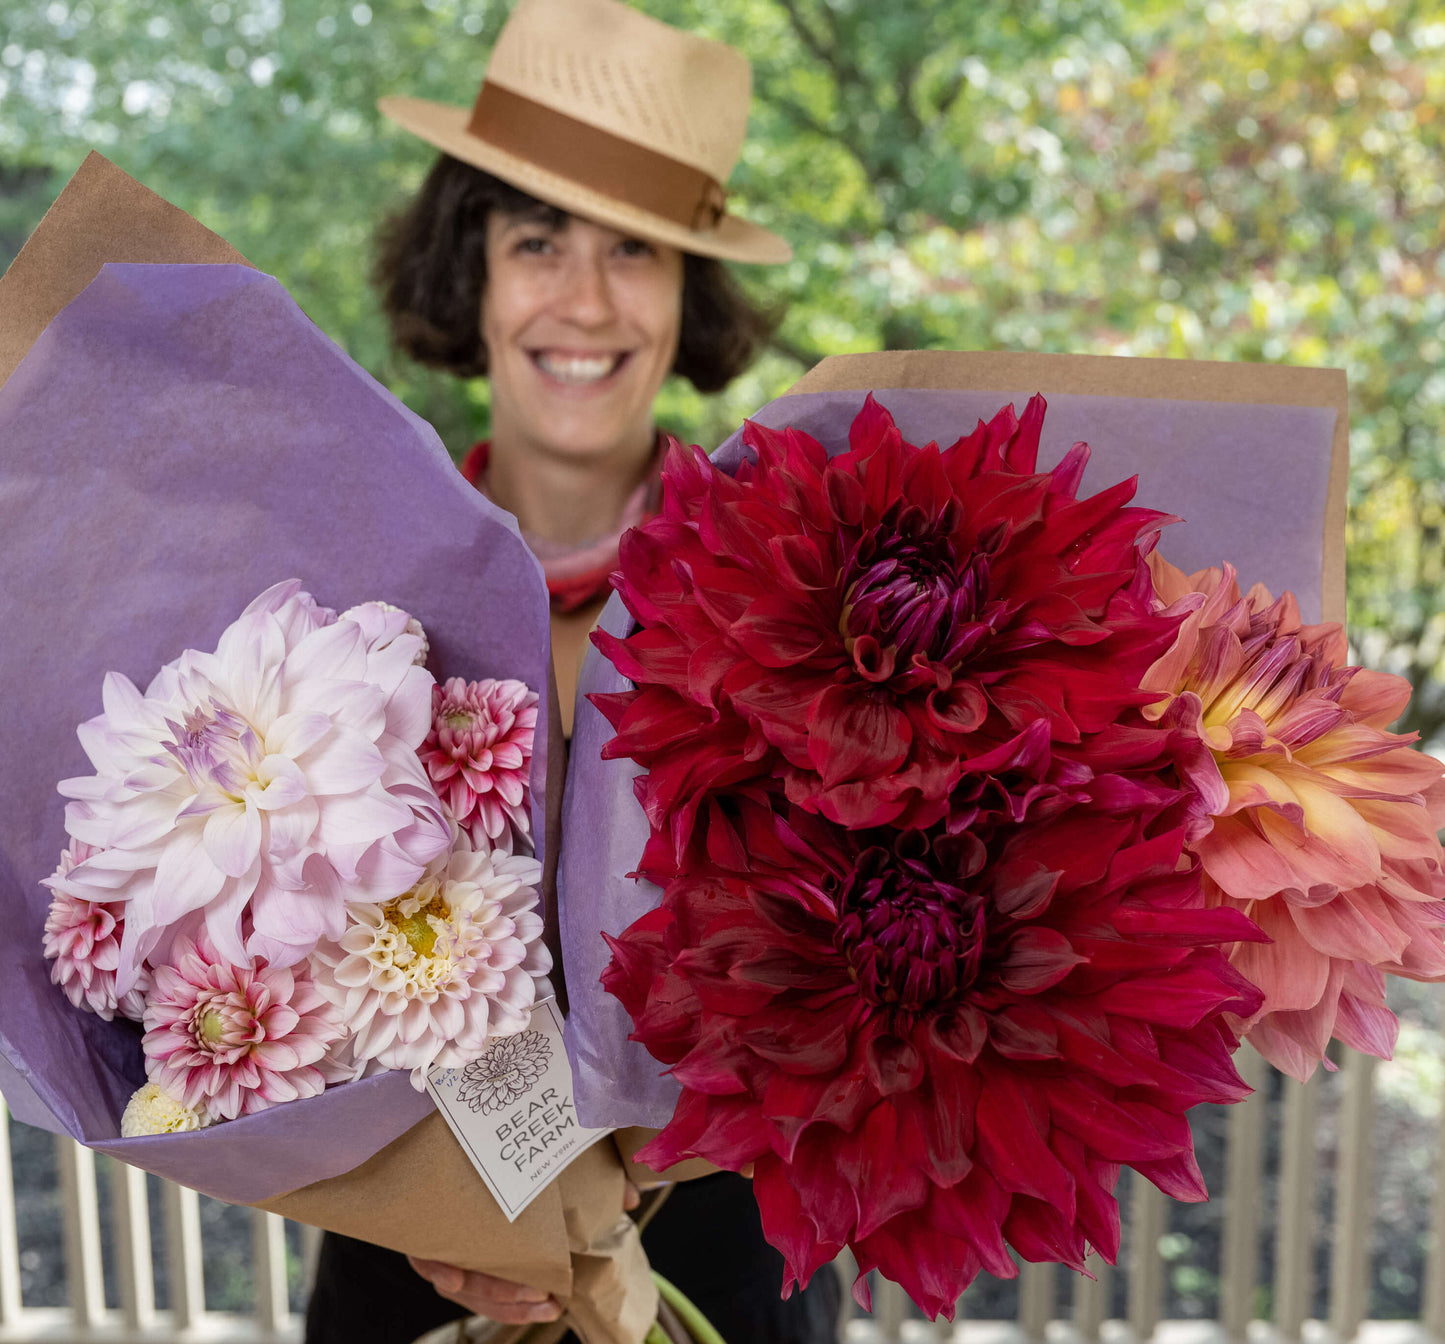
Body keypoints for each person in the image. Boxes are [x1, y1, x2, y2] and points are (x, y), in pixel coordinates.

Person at [302, 1, 842, 1341]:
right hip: (402, 1272)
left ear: (684, 294)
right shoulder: (338, 601)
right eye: (535, 241)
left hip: (722, 1263)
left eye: (633, 251)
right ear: (468, 275)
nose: (583, 300)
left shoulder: (812, 593)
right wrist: (438, 1224)